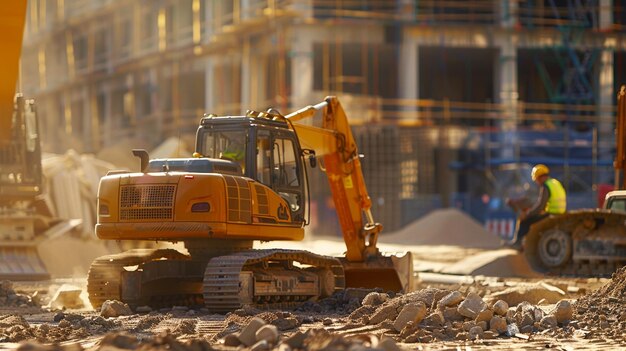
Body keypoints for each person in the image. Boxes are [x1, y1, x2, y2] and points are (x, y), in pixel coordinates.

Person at [509, 164, 566, 249]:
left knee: (525, 221)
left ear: (540, 177)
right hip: (560, 212)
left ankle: (518, 243)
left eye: (536, 179)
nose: (537, 182)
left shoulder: (546, 186)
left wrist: (528, 214)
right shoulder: (555, 182)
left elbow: (540, 206)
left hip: (551, 213)